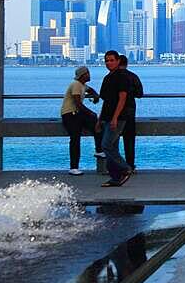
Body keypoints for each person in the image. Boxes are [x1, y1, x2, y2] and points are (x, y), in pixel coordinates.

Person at [97, 50, 134, 187]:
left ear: (118, 61)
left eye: (112, 60)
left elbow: (122, 98)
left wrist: (115, 118)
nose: (109, 63)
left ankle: (125, 169)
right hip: (107, 116)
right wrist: (99, 119)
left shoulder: (122, 77)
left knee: (106, 145)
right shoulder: (107, 78)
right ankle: (115, 177)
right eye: (107, 60)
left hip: (117, 117)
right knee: (113, 147)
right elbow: (106, 101)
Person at [61, 66, 103, 175]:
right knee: (75, 138)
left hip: (77, 114)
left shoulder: (82, 85)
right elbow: (78, 104)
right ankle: (73, 167)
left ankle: (99, 150)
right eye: (87, 73)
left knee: (97, 126)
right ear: (82, 75)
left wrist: (95, 96)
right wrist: (91, 112)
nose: (89, 75)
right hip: (70, 114)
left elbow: (90, 90)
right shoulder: (75, 85)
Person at [117, 55, 143, 171]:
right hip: (129, 112)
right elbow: (140, 93)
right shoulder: (133, 76)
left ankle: (115, 165)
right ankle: (130, 165)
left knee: (112, 142)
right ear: (127, 63)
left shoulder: (113, 77)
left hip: (114, 113)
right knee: (129, 141)